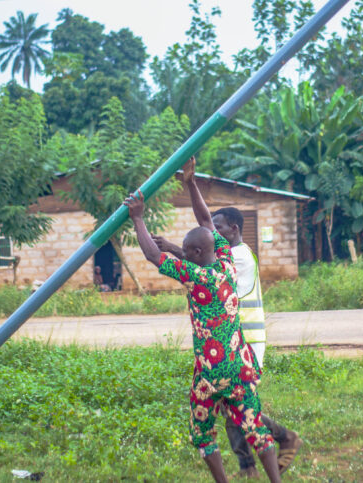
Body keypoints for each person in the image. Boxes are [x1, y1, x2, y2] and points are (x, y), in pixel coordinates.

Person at [153, 159, 302, 478]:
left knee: (239, 403)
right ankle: (250, 464)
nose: (213, 232)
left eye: (218, 230)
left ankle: (278, 442)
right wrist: (191, 184)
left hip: (244, 343)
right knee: (229, 403)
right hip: (228, 343)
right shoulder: (224, 255)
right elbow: (204, 223)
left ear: (233, 230)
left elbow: (200, 265)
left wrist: (170, 250)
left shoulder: (238, 258)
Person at [123, 190, 281, 483]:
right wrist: (190, 183)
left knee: (203, 432)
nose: (180, 251)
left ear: (196, 254)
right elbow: (207, 221)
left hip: (209, 374)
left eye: (184, 249)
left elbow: (152, 255)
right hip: (238, 367)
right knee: (256, 428)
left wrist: (138, 217)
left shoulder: (196, 276)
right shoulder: (227, 265)